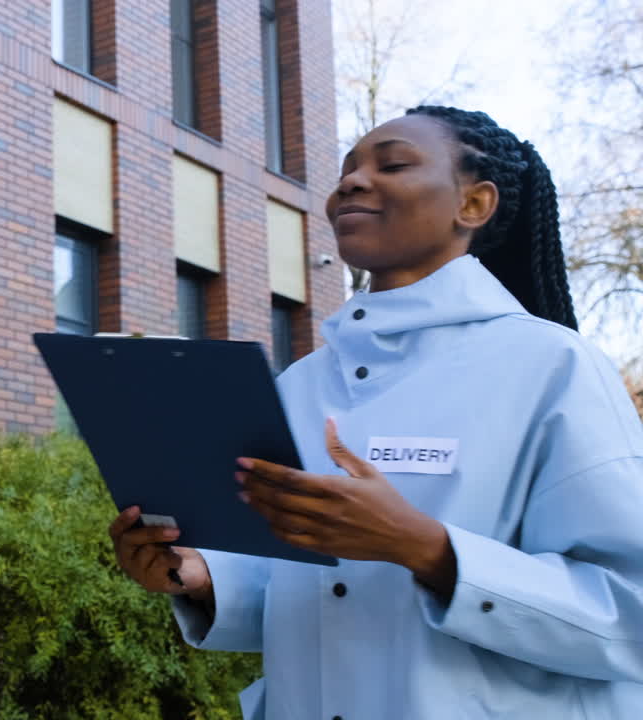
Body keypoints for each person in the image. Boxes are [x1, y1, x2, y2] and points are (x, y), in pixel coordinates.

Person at [111, 106, 643, 719]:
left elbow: (627, 613)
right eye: (346, 171)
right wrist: (203, 576)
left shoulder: (553, 364)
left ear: (473, 204)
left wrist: (425, 548)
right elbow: (318, 591)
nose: (352, 183)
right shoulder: (299, 384)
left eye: (391, 165)